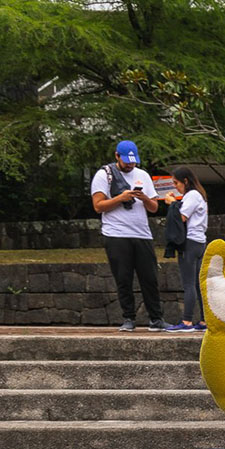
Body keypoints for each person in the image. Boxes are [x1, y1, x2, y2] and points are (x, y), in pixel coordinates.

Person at [91, 139, 166, 331]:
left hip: (142, 234)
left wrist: (144, 198)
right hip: (116, 233)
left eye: (133, 162)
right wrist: (121, 198)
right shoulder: (103, 175)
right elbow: (98, 206)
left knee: (149, 278)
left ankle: (156, 319)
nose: (130, 165)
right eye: (126, 162)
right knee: (123, 278)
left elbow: (155, 207)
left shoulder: (143, 175)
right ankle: (128, 318)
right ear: (117, 156)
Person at [165, 167, 209, 332]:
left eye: (176, 182)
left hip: (190, 243)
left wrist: (172, 203)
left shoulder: (192, 195)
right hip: (199, 242)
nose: (175, 186)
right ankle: (204, 321)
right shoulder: (200, 195)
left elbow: (181, 217)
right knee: (198, 284)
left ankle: (187, 321)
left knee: (189, 283)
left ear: (185, 181)